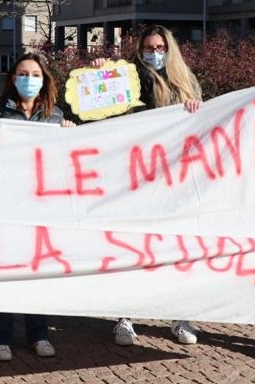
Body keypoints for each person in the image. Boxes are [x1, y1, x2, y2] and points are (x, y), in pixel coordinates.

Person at [91, 24, 203, 346]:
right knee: (131, 249)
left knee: (175, 250)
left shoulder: (187, 82)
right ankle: (125, 317)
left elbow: (200, 130)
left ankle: (181, 316)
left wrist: (195, 110)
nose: (154, 53)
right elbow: (97, 108)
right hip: (135, 179)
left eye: (160, 48)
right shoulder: (127, 77)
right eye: (148, 48)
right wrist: (100, 73)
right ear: (139, 50)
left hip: (174, 181)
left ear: (170, 49)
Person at [0, 53, 73, 361]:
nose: (28, 80)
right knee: (4, 271)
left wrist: (71, 135)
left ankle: (39, 333)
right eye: (22, 73)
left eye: (35, 74)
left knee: (37, 271)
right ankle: (0, 336)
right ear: (12, 78)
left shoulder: (56, 116)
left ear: (44, 79)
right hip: (5, 205)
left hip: (41, 207)